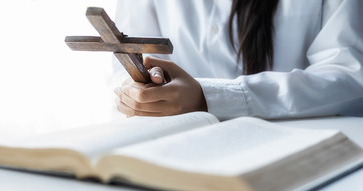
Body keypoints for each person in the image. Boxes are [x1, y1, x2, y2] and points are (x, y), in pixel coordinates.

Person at [112, 0, 363, 119]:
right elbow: (132, 60)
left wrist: (207, 97)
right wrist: (138, 90)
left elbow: (348, 77)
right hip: (177, 147)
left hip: (296, 153)